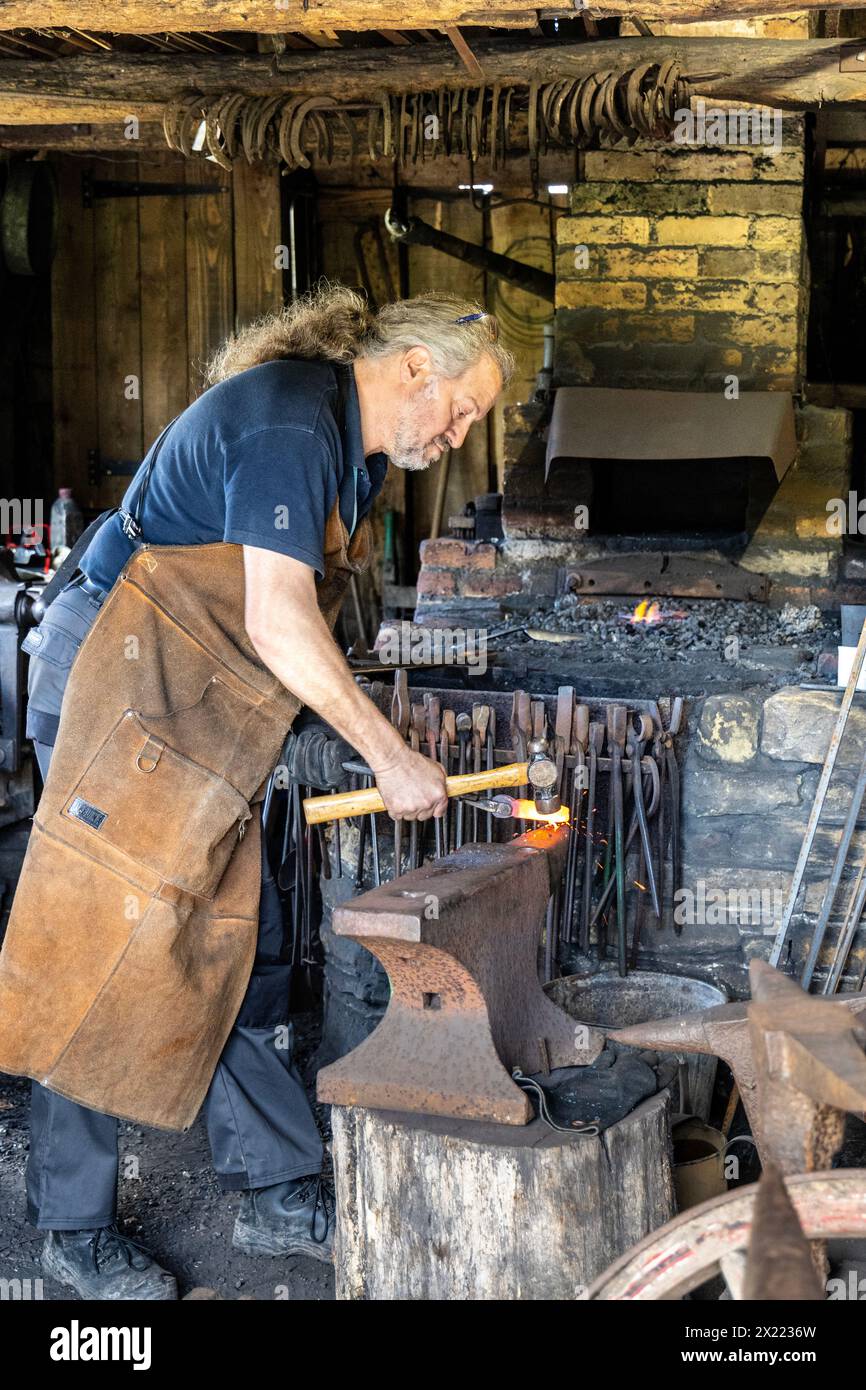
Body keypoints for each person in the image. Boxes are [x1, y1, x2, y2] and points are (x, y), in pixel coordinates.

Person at [14, 284, 512, 1299]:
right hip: (113, 686)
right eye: (462, 406)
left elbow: (277, 624)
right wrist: (381, 751)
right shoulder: (289, 417)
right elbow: (281, 621)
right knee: (105, 947)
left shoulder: (353, 456)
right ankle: (71, 1228)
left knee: (238, 929)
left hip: (194, 706)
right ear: (414, 367)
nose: (462, 432)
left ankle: (273, 1186)